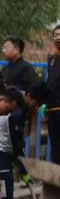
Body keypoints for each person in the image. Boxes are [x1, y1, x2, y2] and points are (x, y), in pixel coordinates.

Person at [45, 25, 60, 164]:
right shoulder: (51, 59)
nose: (58, 37)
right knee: (55, 146)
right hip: (52, 109)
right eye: (55, 35)